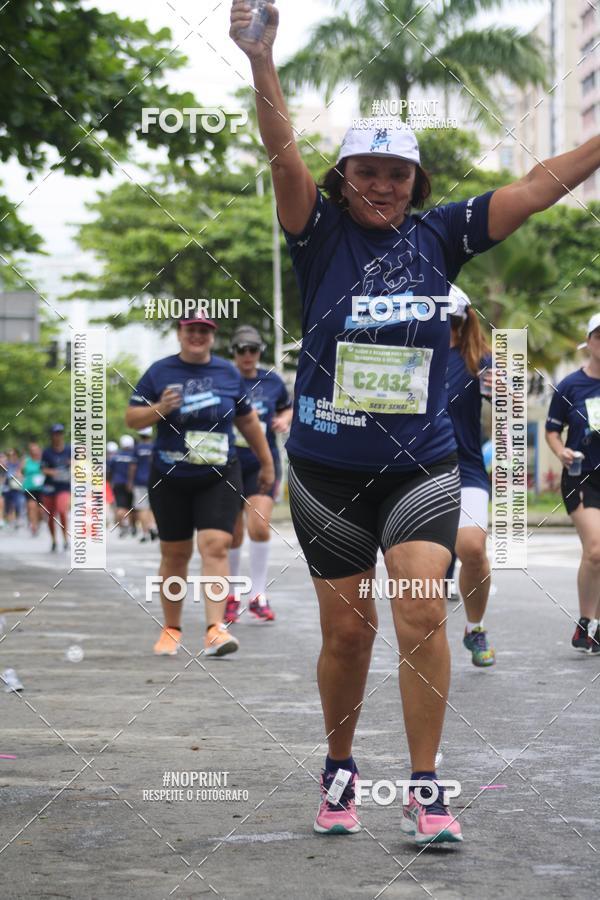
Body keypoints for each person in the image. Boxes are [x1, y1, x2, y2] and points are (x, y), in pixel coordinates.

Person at [230, 0, 600, 843]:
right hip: (326, 470)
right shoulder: (315, 233)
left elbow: (539, 188)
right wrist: (261, 61)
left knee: (421, 614)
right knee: (347, 634)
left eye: (397, 174)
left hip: (424, 464)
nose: (382, 186)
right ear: (345, 178)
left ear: (416, 183)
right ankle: (339, 771)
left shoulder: (442, 234)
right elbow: (281, 150)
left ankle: (428, 788)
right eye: (366, 171)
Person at [125, 312, 274, 657]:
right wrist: (160, 408)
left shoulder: (227, 372)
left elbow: (248, 421)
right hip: (170, 474)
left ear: (211, 336)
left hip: (218, 473)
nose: (197, 336)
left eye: (204, 331)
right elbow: (132, 418)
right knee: (175, 553)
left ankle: (215, 630)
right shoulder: (159, 372)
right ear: (180, 333)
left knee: (216, 545)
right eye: (191, 330)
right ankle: (172, 628)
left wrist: (266, 463)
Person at [225, 324, 293, 624]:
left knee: (259, 526)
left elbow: (289, 408)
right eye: (242, 350)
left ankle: (258, 595)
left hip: (263, 464)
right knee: (233, 534)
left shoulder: (273, 381)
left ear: (259, 353)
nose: (248, 355)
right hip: (227, 463)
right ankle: (231, 595)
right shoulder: (224, 380)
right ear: (234, 352)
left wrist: (284, 419)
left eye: (253, 350)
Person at [446, 286, 495, 667]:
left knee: (473, 550)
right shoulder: (409, 356)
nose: (446, 327)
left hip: (466, 469)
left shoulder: (478, 360)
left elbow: (511, 407)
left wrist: (504, 391)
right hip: (414, 473)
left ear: (465, 321)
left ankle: (474, 627)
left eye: (453, 320)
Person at [545, 312, 600, 655]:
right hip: (582, 476)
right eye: (599, 336)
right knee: (596, 549)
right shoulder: (570, 385)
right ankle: (584, 622)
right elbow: (552, 430)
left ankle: (594, 628)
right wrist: (560, 450)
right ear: (589, 342)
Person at [41, 424, 71, 551]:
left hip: (63, 486)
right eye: (55, 433)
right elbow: (43, 469)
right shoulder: (47, 452)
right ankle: (54, 540)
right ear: (52, 436)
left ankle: (65, 539)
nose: (57, 436)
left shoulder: (69, 450)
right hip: (49, 487)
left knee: (62, 510)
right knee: (50, 515)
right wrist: (53, 472)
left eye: (60, 433)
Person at [129, 427, 158, 542]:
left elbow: (133, 467)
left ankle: (145, 533)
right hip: (153, 480)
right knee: (153, 506)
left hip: (139, 481)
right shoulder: (155, 447)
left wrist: (130, 481)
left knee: (142, 507)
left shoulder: (137, 449)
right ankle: (153, 526)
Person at [108, 435, 136, 537]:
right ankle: (133, 527)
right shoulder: (133, 456)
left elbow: (110, 471)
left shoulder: (115, 457)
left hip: (118, 483)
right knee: (132, 507)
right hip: (131, 484)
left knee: (120, 507)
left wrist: (110, 482)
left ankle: (122, 527)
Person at [22, 442, 46, 536]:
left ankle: (38, 522)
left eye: (36, 450)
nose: (34, 452)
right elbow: (21, 471)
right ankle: (33, 526)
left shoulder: (43, 460)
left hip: (42, 489)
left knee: (41, 511)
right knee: (32, 507)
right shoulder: (26, 461)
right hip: (29, 487)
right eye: (32, 450)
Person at [3, 448, 25, 529]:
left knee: (17, 503)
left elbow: (21, 473)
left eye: (13, 454)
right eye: (10, 455)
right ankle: (9, 520)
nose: (12, 456)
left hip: (16, 487)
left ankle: (17, 519)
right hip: (7, 487)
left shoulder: (19, 464)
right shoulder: (7, 464)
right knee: (7, 504)